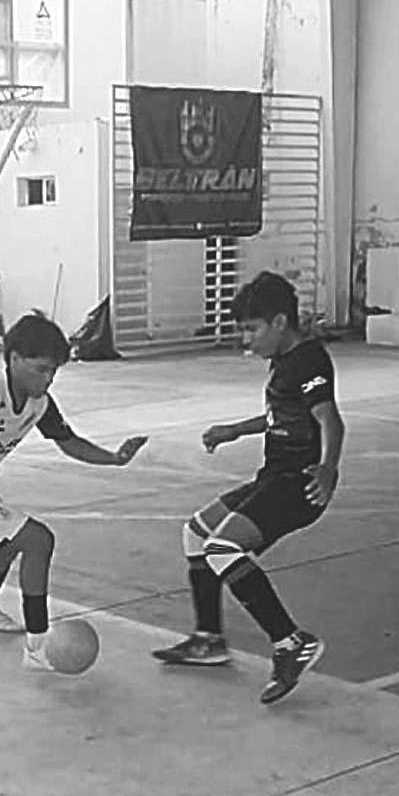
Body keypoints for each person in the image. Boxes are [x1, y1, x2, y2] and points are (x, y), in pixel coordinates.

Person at [0, 312, 148, 671]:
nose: (48, 378)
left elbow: (69, 442)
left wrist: (115, 458)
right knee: (38, 540)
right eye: (41, 369)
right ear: (15, 359)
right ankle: (38, 648)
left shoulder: (40, 403)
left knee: (7, 543)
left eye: (53, 371)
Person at [152, 271, 345, 704]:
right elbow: (283, 414)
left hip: (298, 484)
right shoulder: (284, 360)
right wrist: (235, 430)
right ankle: (208, 639)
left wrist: (328, 469)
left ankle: (290, 642)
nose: (246, 340)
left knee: (222, 549)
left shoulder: (309, 361)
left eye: (252, 329)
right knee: (196, 533)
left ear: (280, 322)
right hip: (272, 478)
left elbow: (329, 419)